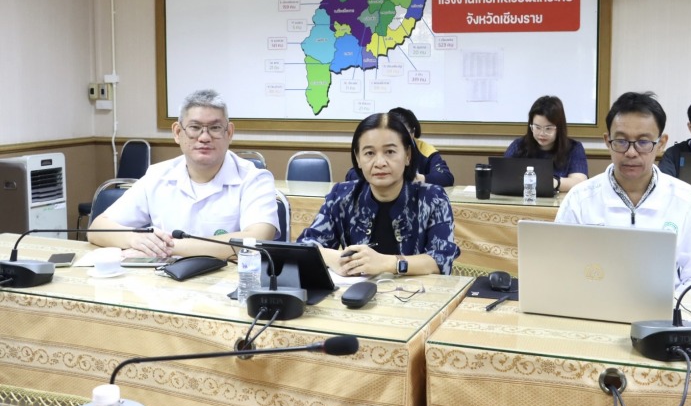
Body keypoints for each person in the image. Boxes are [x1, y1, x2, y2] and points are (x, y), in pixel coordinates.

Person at [556, 91, 691, 291]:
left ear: (661, 144)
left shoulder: (686, 199)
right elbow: (561, 269)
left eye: (643, 142)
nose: (631, 152)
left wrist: (672, 309)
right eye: (621, 141)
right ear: (608, 141)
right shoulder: (580, 199)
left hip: (667, 314)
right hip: (595, 309)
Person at [88, 89, 279, 259]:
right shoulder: (157, 175)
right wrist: (134, 239)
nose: (204, 137)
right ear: (178, 132)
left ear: (229, 132)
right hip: (163, 284)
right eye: (195, 128)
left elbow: (257, 239)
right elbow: (97, 229)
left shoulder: (254, 179)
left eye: (215, 128)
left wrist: (168, 247)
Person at [299, 111, 460, 277]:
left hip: (415, 296)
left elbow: (441, 260)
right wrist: (335, 258)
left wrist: (386, 263)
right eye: (369, 153)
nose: (380, 163)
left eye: (390, 152)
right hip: (358, 298)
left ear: (408, 155)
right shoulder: (341, 196)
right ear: (358, 158)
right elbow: (304, 246)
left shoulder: (433, 198)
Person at [344, 106, 454, 187]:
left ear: (413, 132)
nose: (380, 162)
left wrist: (412, 178)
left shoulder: (425, 150)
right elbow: (352, 174)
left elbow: (445, 177)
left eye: (390, 152)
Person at [504, 95, 588, 192]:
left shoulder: (574, 148)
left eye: (548, 128)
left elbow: (580, 182)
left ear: (559, 128)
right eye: (537, 127)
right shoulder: (519, 145)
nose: (542, 134)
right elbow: (503, 174)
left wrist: (554, 182)